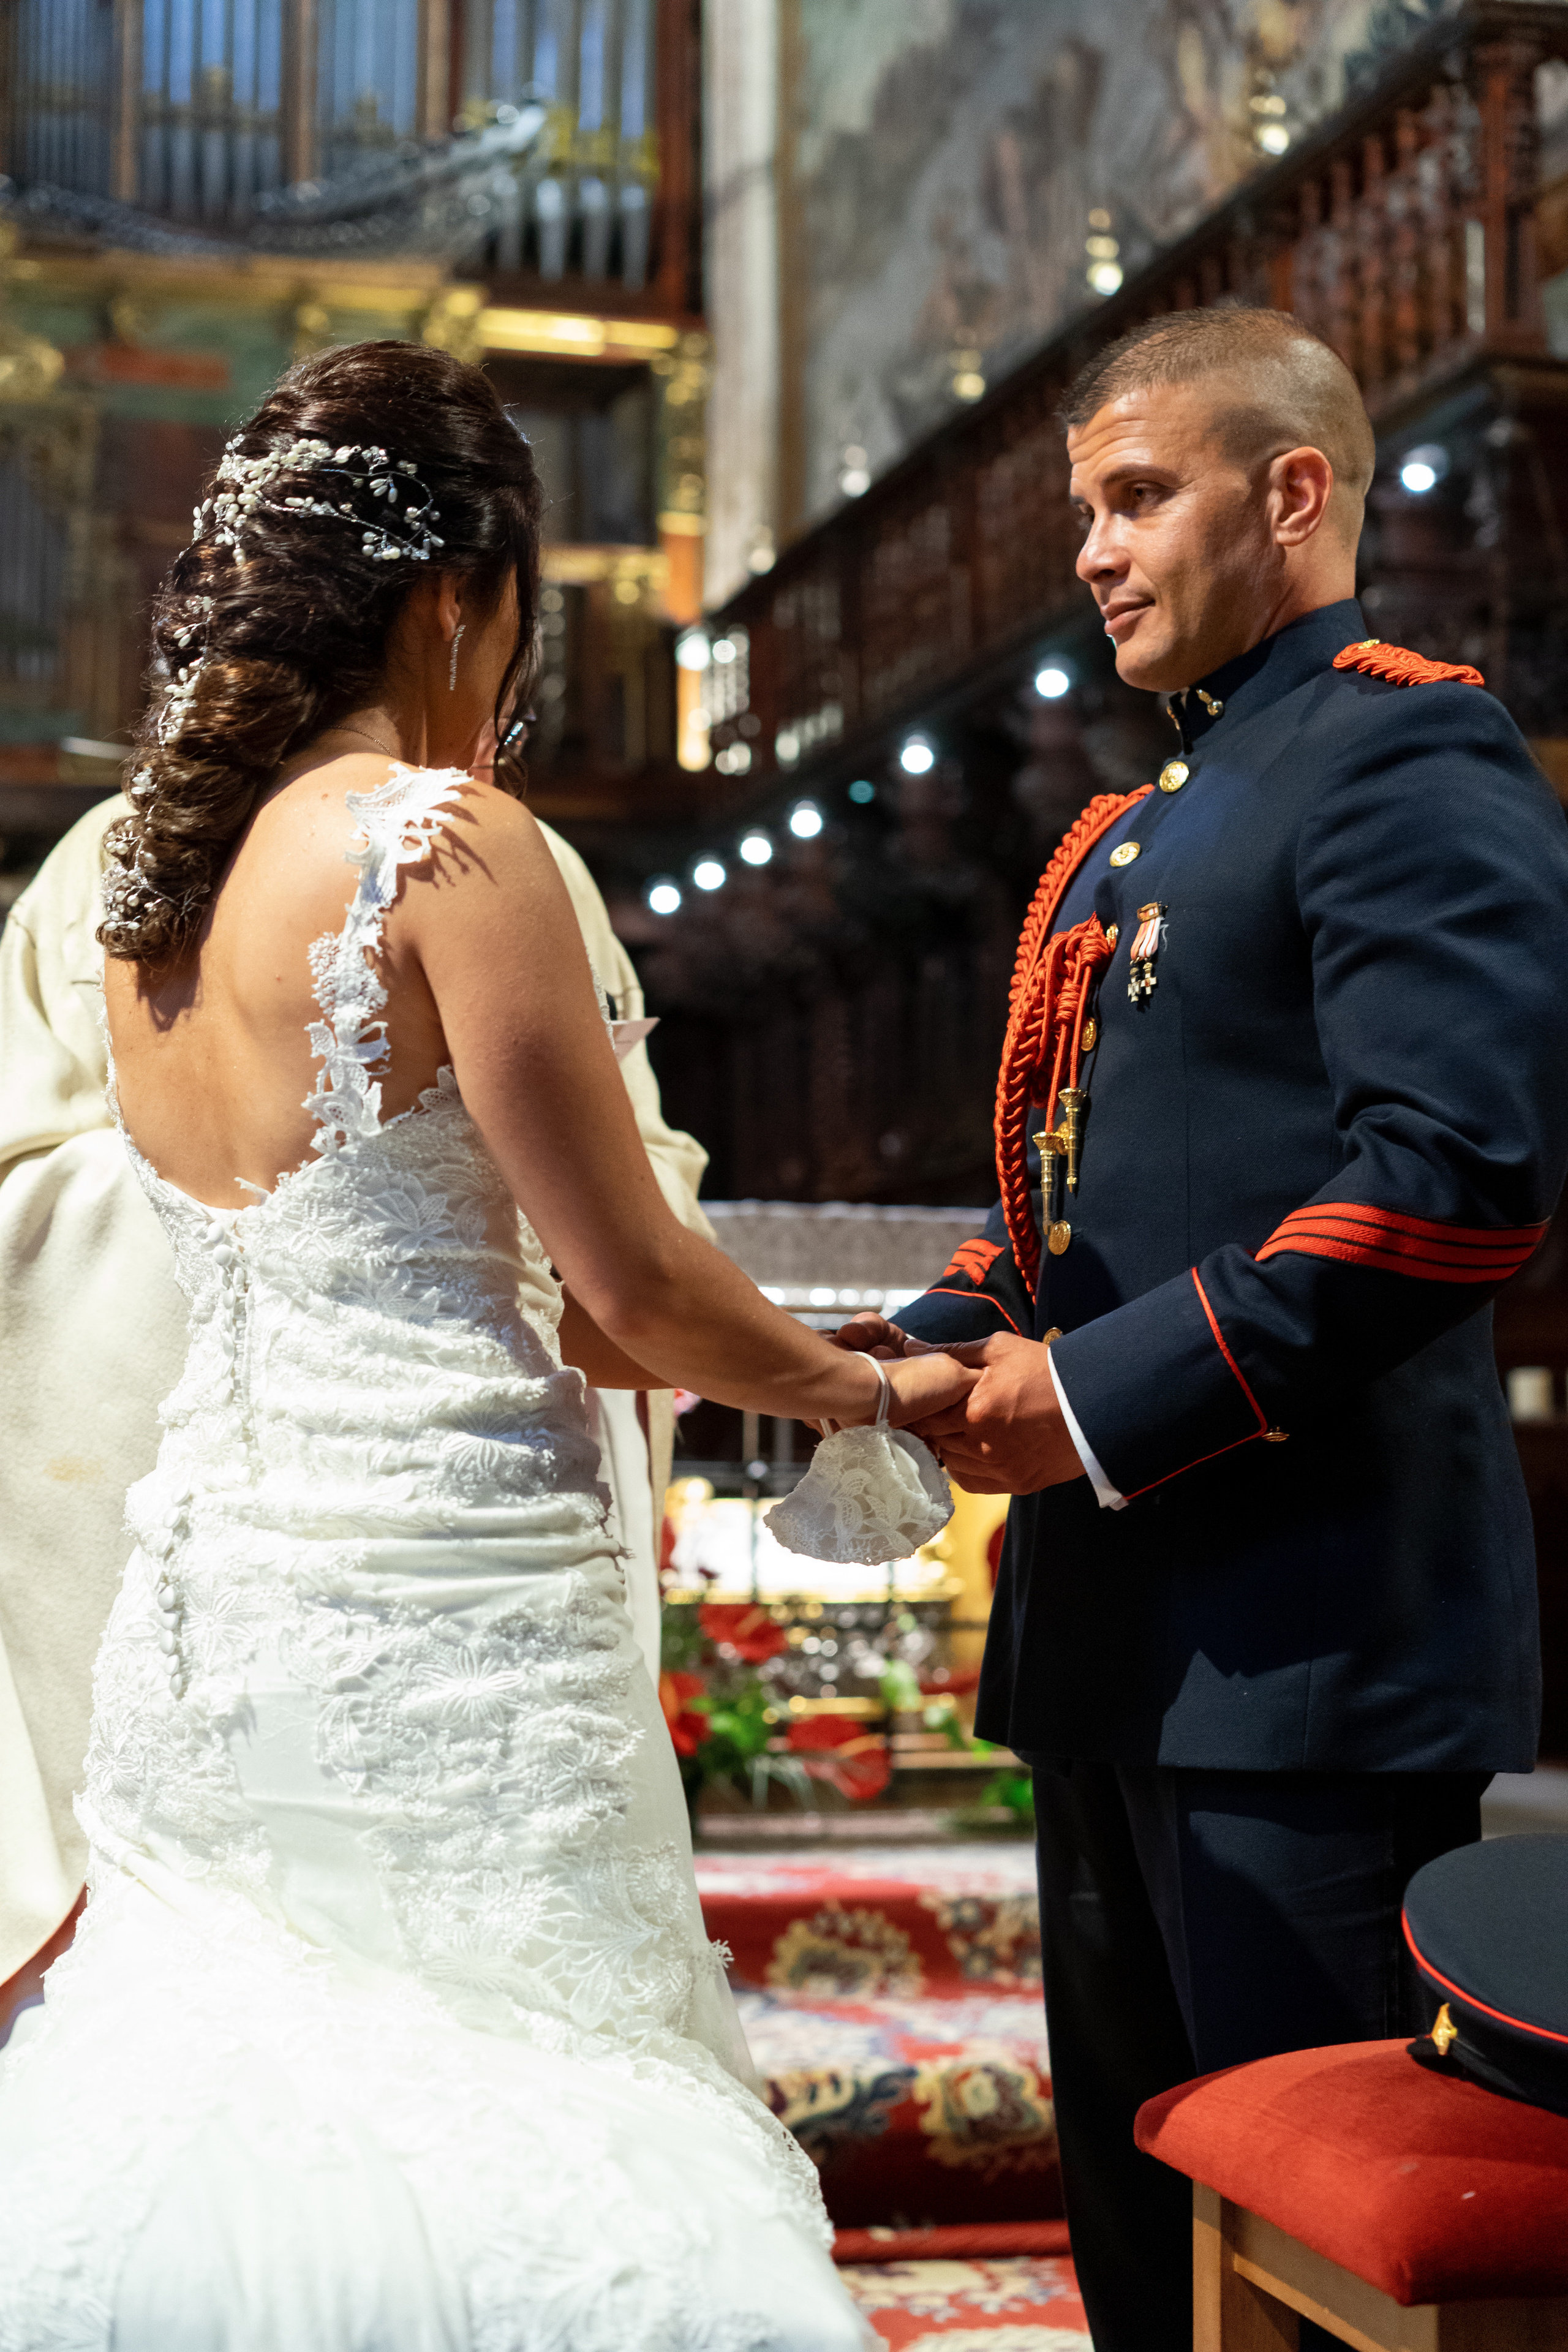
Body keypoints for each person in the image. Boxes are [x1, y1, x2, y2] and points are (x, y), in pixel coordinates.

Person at [0, 338, 974, 2351]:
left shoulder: (148, 904)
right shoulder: (448, 847)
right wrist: (870, 1391)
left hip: (222, 1609)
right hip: (454, 1611)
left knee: (234, 2079)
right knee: (536, 2095)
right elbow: (624, 1298)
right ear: (456, 597)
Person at [842, 307, 1568, 2350]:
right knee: (1144, 2250)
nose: (1092, 547)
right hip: (1110, 1640)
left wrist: (1082, 1401)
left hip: (1305, 1646)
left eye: (1138, 495)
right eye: (1088, 505)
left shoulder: (1398, 744)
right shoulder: (1147, 814)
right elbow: (1069, 1204)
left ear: (1296, 493)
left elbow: (1457, 1176)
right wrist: (887, 1360)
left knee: (1308, 2264)